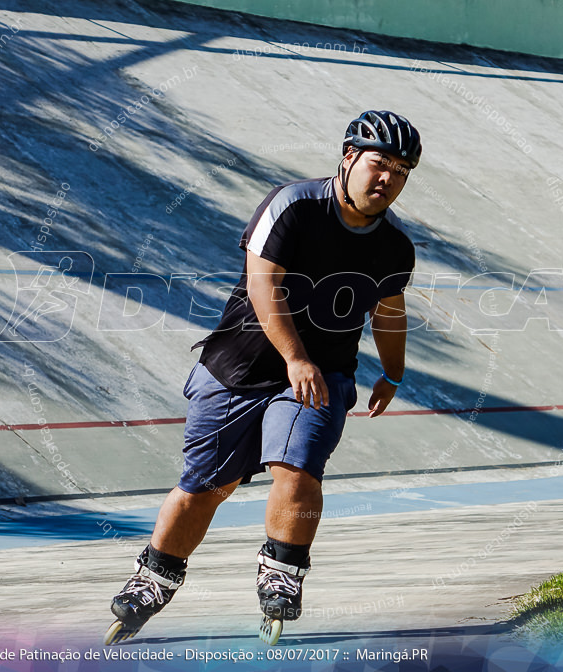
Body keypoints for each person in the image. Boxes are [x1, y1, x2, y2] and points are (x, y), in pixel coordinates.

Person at [107, 110, 422, 642]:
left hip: (322, 376)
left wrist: (392, 371)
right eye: (379, 163)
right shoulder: (293, 207)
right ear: (349, 158)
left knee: (296, 468)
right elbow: (263, 286)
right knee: (207, 486)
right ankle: (154, 577)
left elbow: (388, 312)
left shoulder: (394, 247)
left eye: (401, 170)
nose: (387, 178)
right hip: (238, 368)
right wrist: (294, 356)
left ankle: (282, 573)